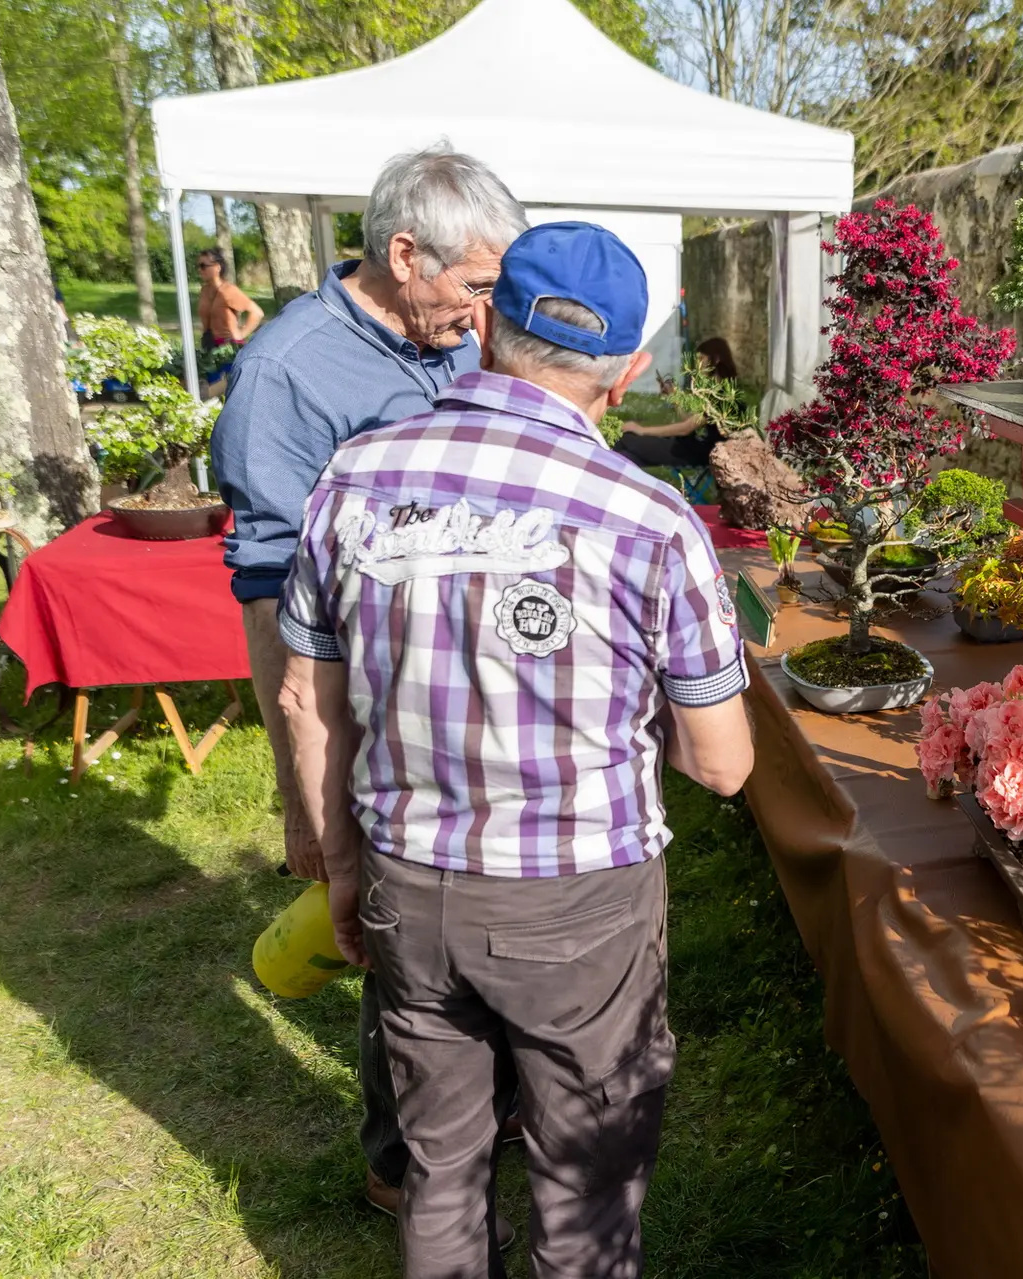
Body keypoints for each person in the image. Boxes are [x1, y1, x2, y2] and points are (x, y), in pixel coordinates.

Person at [276, 221, 755, 1277]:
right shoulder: (651, 519)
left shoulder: (354, 475)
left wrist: (343, 868)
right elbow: (722, 764)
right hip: (579, 898)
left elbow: (308, 699)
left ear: (486, 322)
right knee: (585, 1185)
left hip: (407, 876)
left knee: (440, 1163)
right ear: (629, 370)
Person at [209, 143, 527, 1220]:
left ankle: (491, 1106)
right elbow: (269, 597)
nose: (486, 311)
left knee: (480, 913)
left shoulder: (453, 337)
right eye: (474, 283)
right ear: (402, 254)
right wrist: (303, 794)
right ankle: (403, 1163)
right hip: (367, 711)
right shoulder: (286, 375)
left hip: (469, 701)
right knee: (399, 938)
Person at [614, 336, 737, 469]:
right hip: (690, 447)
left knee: (627, 440)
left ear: (716, 359)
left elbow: (686, 428)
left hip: (696, 453)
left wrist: (641, 430)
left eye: (701, 359)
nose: (698, 365)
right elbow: (690, 421)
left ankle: (611, 472)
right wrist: (674, 399)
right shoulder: (716, 390)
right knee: (628, 450)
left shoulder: (722, 395)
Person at [194, 249, 264, 395]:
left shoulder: (229, 291)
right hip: (209, 347)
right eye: (198, 266)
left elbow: (257, 313)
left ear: (217, 267)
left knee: (221, 392)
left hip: (227, 349)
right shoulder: (204, 290)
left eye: (203, 266)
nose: (200, 270)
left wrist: (241, 334)